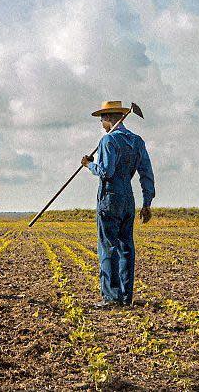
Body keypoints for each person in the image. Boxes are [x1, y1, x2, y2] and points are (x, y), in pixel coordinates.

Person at [81, 101, 155, 307]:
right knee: (126, 247)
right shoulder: (137, 141)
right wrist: (146, 202)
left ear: (111, 118)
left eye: (102, 119)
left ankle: (111, 298)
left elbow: (106, 172)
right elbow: (146, 173)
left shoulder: (108, 140)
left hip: (109, 198)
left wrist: (89, 165)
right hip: (128, 199)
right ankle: (125, 296)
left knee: (107, 247)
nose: (101, 123)